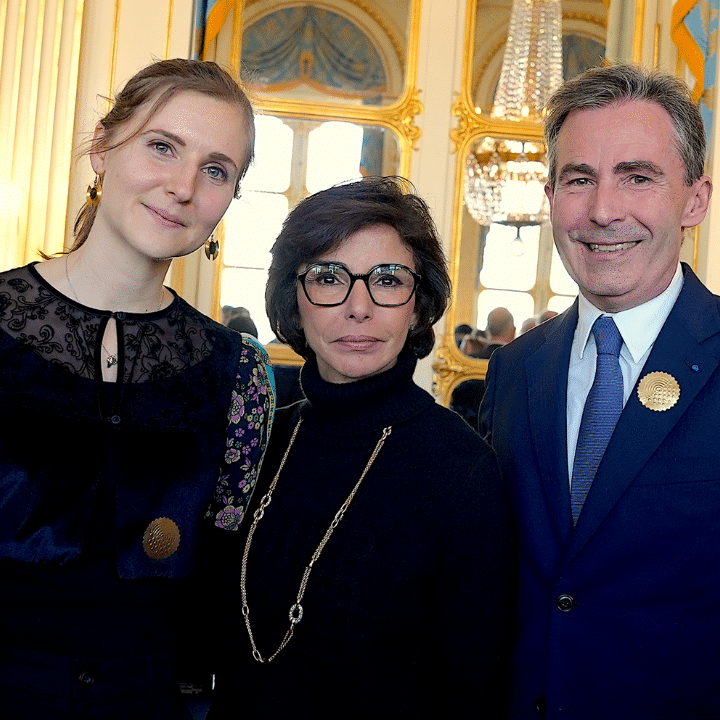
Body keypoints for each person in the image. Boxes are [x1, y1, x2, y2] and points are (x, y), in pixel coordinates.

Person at [0, 59, 274, 719]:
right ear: (102, 147)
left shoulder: (239, 371)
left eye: (216, 170)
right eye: (163, 146)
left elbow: (220, 567)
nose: (183, 187)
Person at [210, 177, 513, 718]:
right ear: (293, 300)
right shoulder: (259, 442)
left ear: (417, 307)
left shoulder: (463, 471)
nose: (358, 307)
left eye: (388, 280)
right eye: (328, 277)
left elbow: (472, 688)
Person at [480, 62, 719, 718]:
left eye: (637, 177)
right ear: (551, 196)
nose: (603, 211)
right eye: (579, 179)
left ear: (694, 200)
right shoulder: (515, 371)